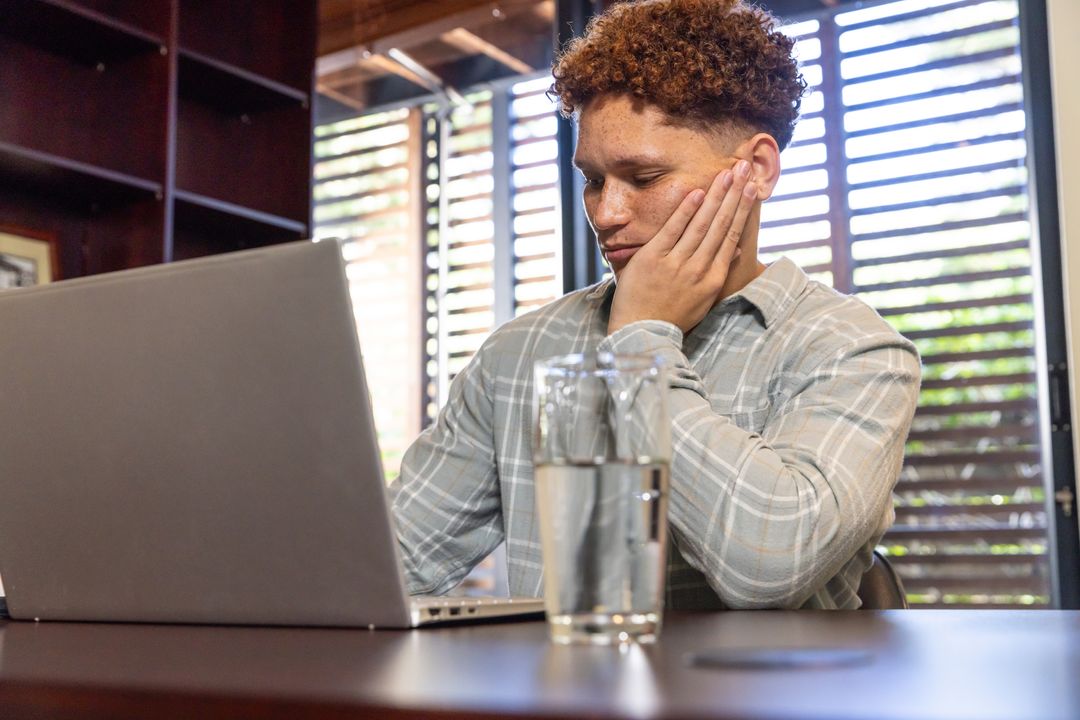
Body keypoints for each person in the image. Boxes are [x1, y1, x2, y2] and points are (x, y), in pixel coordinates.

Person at [389, 0, 921, 609]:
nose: (607, 215)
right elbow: (386, 563)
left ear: (756, 171)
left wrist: (642, 336)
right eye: (593, 180)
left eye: (643, 179)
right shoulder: (519, 355)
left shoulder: (853, 350)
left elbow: (772, 565)